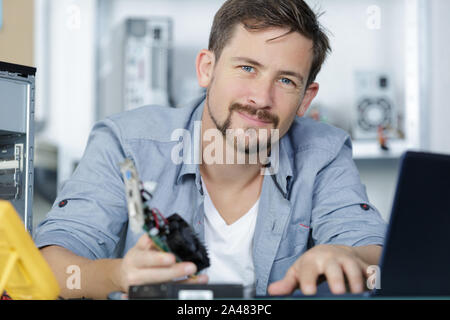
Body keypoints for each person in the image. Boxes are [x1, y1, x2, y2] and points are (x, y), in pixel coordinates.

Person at [34, 0, 387, 299]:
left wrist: (347, 255)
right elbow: (50, 267)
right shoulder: (127, 143)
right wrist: (118, 274)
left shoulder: (324, 151)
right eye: (247, 68)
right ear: (207, 68)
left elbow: (377, 255)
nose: (261, 99)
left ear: (305, 98)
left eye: (285, 80)